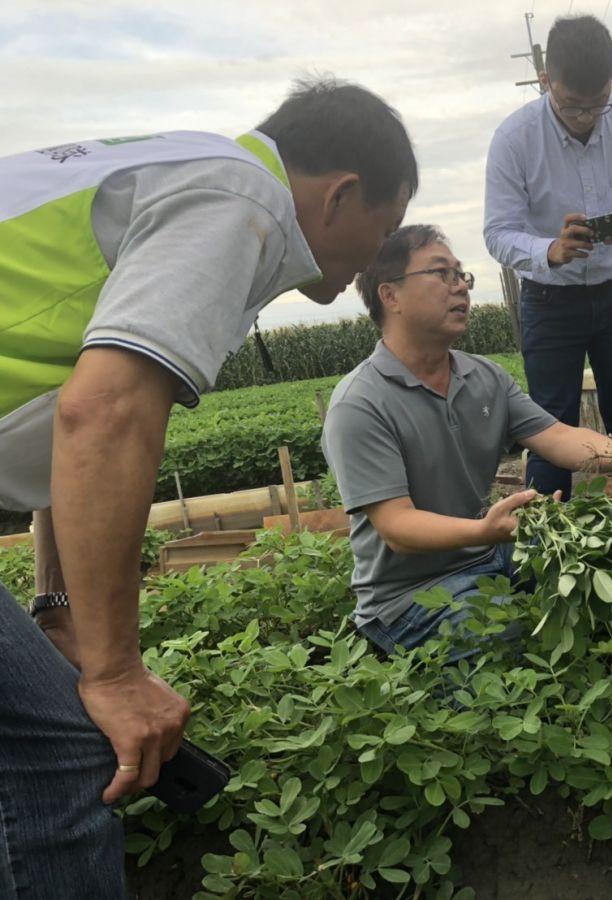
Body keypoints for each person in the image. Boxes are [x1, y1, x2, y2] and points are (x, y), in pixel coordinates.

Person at [0, 77, 417, 898]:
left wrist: (62, 610)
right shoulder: (241, 201)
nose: (381, 257)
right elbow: (107, 415)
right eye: (387, 229)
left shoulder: (180, 168)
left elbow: (67, 421)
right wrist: (115, 675)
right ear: (341, 194)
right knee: (60, 753)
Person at [321, 226, 612, 658]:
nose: (460, 286)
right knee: (505, 633)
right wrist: (484, 531)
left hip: (492, 558)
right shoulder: (359, 403)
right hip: (408, 596)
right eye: (442, 274)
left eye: (462, 275)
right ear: (391, 296)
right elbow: (397, 527)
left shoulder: (483, 376)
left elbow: (558, 436)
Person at [483, 15, 612, 505]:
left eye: (598, 105)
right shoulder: (514, 138)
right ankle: (550, 553)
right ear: (547, 81)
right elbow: (497, 234)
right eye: (572, 107)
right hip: (548, 301)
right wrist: (550, 250)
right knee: (550, 428)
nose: (587, 117)